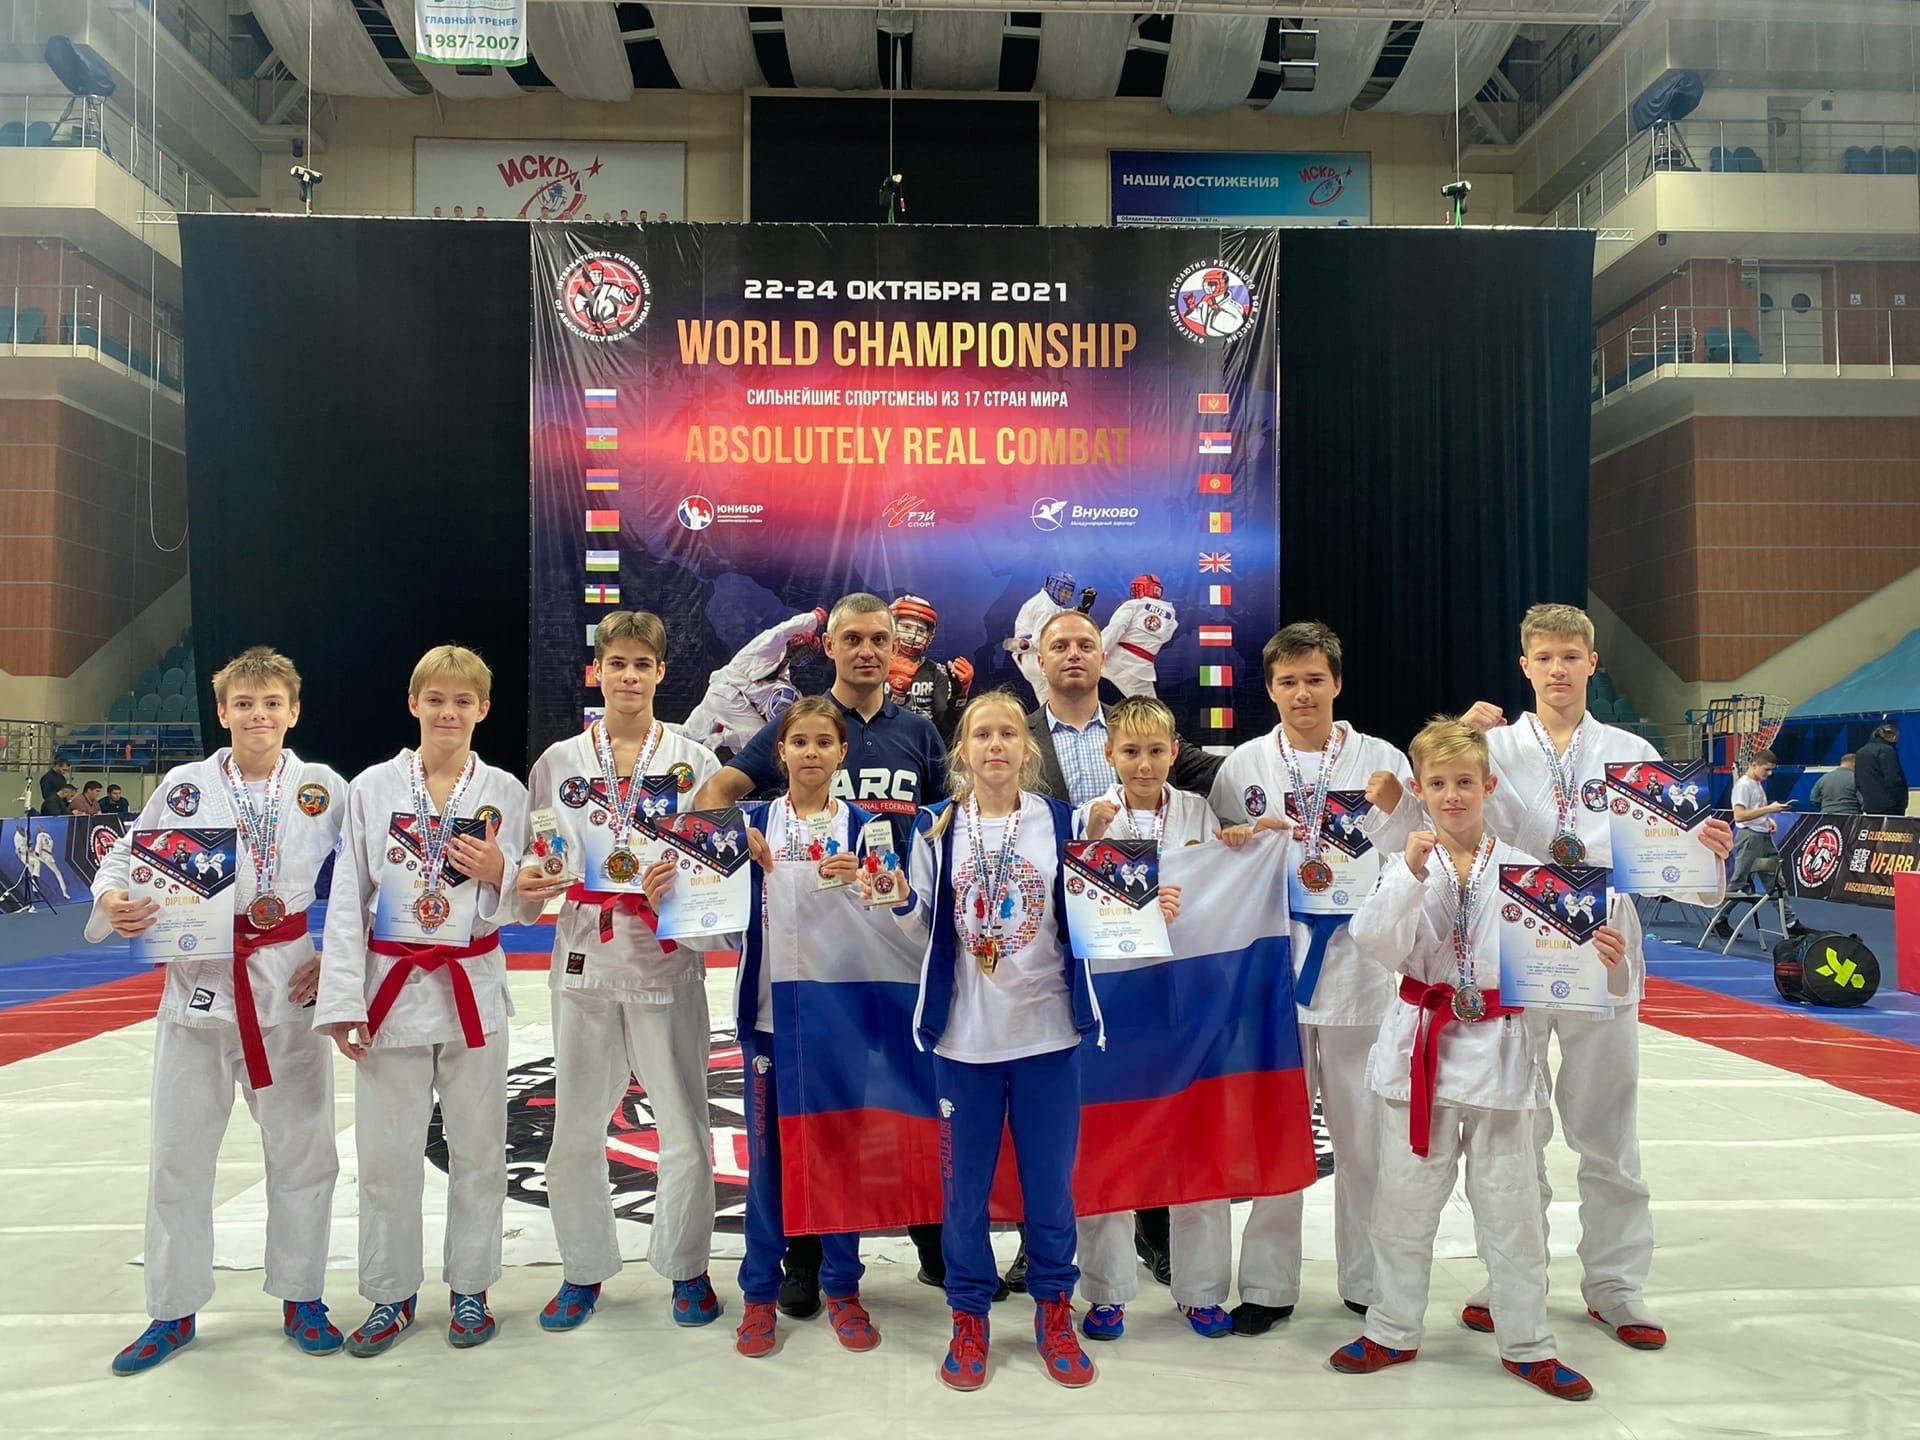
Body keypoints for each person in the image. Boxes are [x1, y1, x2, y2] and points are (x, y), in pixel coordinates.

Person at [1460, 603, 1733, 1352]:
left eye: (1570, 656)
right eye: (1545, 657)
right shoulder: (1490, 747)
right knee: (1513, 1128)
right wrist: (1455, 734)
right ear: (1524, 666)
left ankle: (1616, 1283)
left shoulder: (1630, 751)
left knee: (1607, 1129)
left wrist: (1705, 851)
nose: (1558, 669)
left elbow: (1674, 872)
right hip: (1514, 946)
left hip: (1604, 944)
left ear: (1592, 663)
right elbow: (1444, 819)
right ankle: (1508, 1278)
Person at [876, 690, 1155, 1390]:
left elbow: (1098, 906)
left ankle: (1054, 1311)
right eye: (982, 735)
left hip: (1046, 1034)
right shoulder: (936, 826)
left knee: (1050, 1189)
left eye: (1007, 733)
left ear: (1026, 749)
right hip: (964, 1039)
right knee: (963, 1192)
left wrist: (1146, 905)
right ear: (963, 751)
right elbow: (922, 924)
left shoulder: (1062, 821)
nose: (995, 744)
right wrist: (898, 898)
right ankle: (968, 1315)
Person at [85, 646, 348, 1375]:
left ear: (294, 712)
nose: (258, 715)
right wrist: (115, 898)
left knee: (304, 1150)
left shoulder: (323, 788)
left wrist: (340, 956)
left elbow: (366, 876)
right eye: (244, 703)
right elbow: (123, 858)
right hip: (196, 983)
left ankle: (302, 1296)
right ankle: (171, 1309)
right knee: (178, 1154)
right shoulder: (185, 786)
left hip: (287, 987)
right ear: (224, 712)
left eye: (272, 703)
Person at [1333, 717, 1606, 1402]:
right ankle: (1392, 1329)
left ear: (1488, 785)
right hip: (1420, 1051)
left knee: (1513, 1211)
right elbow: (1375, 942)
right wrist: (1408, 875)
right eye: (1438, 784)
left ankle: (1527, 1342)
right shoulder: (1404, 863)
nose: (1452, 795)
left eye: (1464, 782)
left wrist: (1597, 950)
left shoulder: (1527, 872)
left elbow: (1559, 961)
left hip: (1500, 1053)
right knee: (1402, 1206)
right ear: (1419, 791)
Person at [693, 593, 953, 1309]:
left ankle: (930, 1235)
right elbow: (717, 791)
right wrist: (732, 841)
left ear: (894, 648)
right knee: (812, 1111)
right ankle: (806, 1257)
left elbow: (949, 816)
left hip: (893, 952)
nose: (867, 650)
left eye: (879, 639)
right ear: (829, 646)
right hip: (811, 958)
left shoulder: (920, 731)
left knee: (907, 1097)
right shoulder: (799, 723)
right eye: (853, 639)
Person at [314, 645, 529, 1358]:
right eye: (436, 699)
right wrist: (342, 1002)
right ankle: (389, 1294)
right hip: (391, 990)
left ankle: (472, 1287)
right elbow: (349, 898)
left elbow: (527, 902)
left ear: (483, 710)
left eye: (463, 701)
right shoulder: (372, 787)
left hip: (472, 987)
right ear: (414, 704)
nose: (448, 713)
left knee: (479, 1151)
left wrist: (503, 871)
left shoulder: (505, 790)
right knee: (385, 1156)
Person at [512, 612, 724, 1333]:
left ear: (662, 672)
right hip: (585, 954)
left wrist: (684, 896)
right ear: (595, 670)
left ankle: (687, 1267)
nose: (629, 676)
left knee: (685, 1126)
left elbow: (711, 870)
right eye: (617, 663)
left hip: (665, 956)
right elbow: (539, 857)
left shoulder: (695, 760)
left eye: (642, 663)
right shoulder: (559, 761)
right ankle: (583, 1269)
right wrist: (532, 883)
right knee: (575, 1126)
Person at [1208, 621, 1416, 1335]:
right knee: (1277, 1134)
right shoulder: (1243, 766)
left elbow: (1413, 856)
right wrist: (1236, 842)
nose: (1303, 693)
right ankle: (1268, 1285)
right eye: (1289, 681)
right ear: (1270, 690)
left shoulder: (1382, 760)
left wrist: (1398, 808)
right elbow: (1222, 863)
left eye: (1315, 679)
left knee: (1365, 1140)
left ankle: (1367, 1278)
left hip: (1363, 967)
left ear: (1337, 683)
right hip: (1278, 967)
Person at [1071, 696, 1278, 1343]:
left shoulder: (1198, 811)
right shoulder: (1089, 816)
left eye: (1156, 751)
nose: (1144, 763)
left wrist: (1239, 844)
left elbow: (1225, 889)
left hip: (1190, 1002)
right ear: (1110, 754)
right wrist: (1109, 858)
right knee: (1105, 1148)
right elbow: (1074, 911)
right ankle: (1106, 1292)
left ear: (1174, 751)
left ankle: (1202, 1290)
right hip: (1116, 1005)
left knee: (1199, 1145)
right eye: (1131, 752)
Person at [725, 696, 882, 1358]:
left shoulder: (867, 828)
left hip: (840, 1020)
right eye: (800, 742)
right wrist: (716, 866)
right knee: (767, 1165)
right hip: (769, 1015)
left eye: (824, 741)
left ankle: (842, 1286)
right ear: (780, 751)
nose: (811, 752)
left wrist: (871, 884)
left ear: (842, 752)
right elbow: (710, 913)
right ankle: (759, 1292)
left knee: (840, 1156)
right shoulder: (751, 824)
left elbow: (897, 924)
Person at [1026, 609, 1221, 810]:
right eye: (1060, 647)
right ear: (1041, 663)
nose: (1074, 654)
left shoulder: (1145, 726)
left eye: (1086, 646)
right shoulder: (1018, 737)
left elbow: (1221, 772)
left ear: (1102, 660)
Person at [679, 608, 825, 754]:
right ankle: (721, 737)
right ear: (796, 641)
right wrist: (813, 618)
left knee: (686, 736)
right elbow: (784, 629)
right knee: (764, 740)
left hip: (719, 693)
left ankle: (668, 729)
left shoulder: (783, 669)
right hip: (730, 696)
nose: (803, 657)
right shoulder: (771, 644)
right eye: (804, 651)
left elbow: (775, 696)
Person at [1702, 748, 1806, 939]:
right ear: (1754, 765)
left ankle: (1790, 922)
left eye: (1771, 769)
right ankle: (1718, 920)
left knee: (1776, 881)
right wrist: (1769, 809)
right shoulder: (1743, 785)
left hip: (1762, 836)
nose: (1769, 773)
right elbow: (1739, 815)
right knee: (1739, 881)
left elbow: (1753, 811)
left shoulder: (1756, 784)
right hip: (1750, 838)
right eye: (1766, 769)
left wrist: (1767, 820)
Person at [887, 593, 973, 743]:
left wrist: (960, 695)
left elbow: (948, 730)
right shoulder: (875, 667)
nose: (913, 636)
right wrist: (897, 697)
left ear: (929, 635)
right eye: (906, 627)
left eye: (920, 631)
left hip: (925, 748)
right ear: (891, 627)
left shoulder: (937, 673)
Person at [1099, 576, 1178, 700]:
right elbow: (1167, 637)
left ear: (1143, 588)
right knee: (1151, 707)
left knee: (1082, 681)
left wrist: (1097, 651)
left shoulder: (1133, 605)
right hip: (1142, 669)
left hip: (1114, 661)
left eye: (1136, 588)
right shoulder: (1171, 616)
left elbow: (1115, 628)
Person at [1009, 572, 1078, 705]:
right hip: (1033, 656)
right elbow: (1040, 642)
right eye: (1063, 592)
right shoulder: (1045, 609)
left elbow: (1059, 614)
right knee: (1060, 696)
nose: (1066, 596)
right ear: (1052, 586)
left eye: (1069, 593)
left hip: (1028, 656)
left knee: (1048, 700)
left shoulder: (1045, 602)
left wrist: (1080, 610)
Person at [1856, 723, 1908, 816]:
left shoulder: (1861, 752)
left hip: (1869, 803)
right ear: (1894, 737)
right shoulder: (1887, 750)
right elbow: (1893, 778)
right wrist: (1901, 801)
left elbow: (1857, 780)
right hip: (1890, 804)